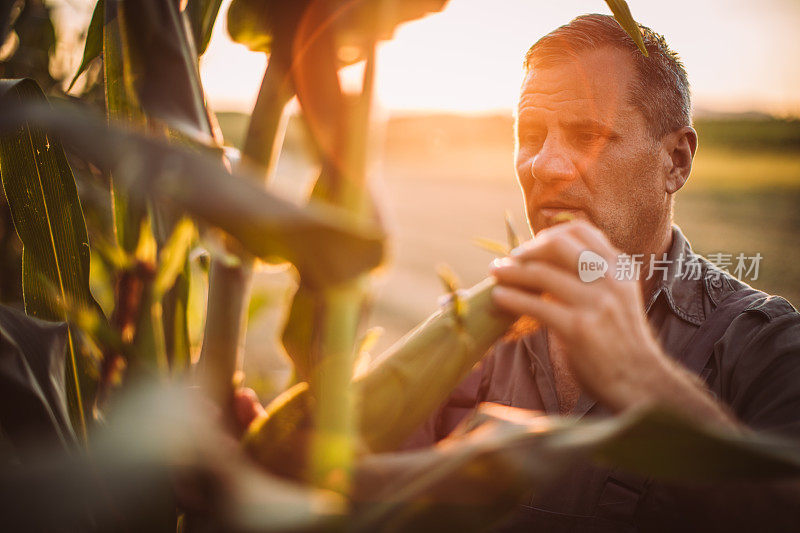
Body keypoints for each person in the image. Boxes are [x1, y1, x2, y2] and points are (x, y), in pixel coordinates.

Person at [398, 13, 800, 531]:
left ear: (676, 161)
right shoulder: (467, 335)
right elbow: (373, 491)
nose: (544, 165)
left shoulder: (763, 347)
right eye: (532, 134)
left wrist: (641, 379)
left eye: (588, 135)